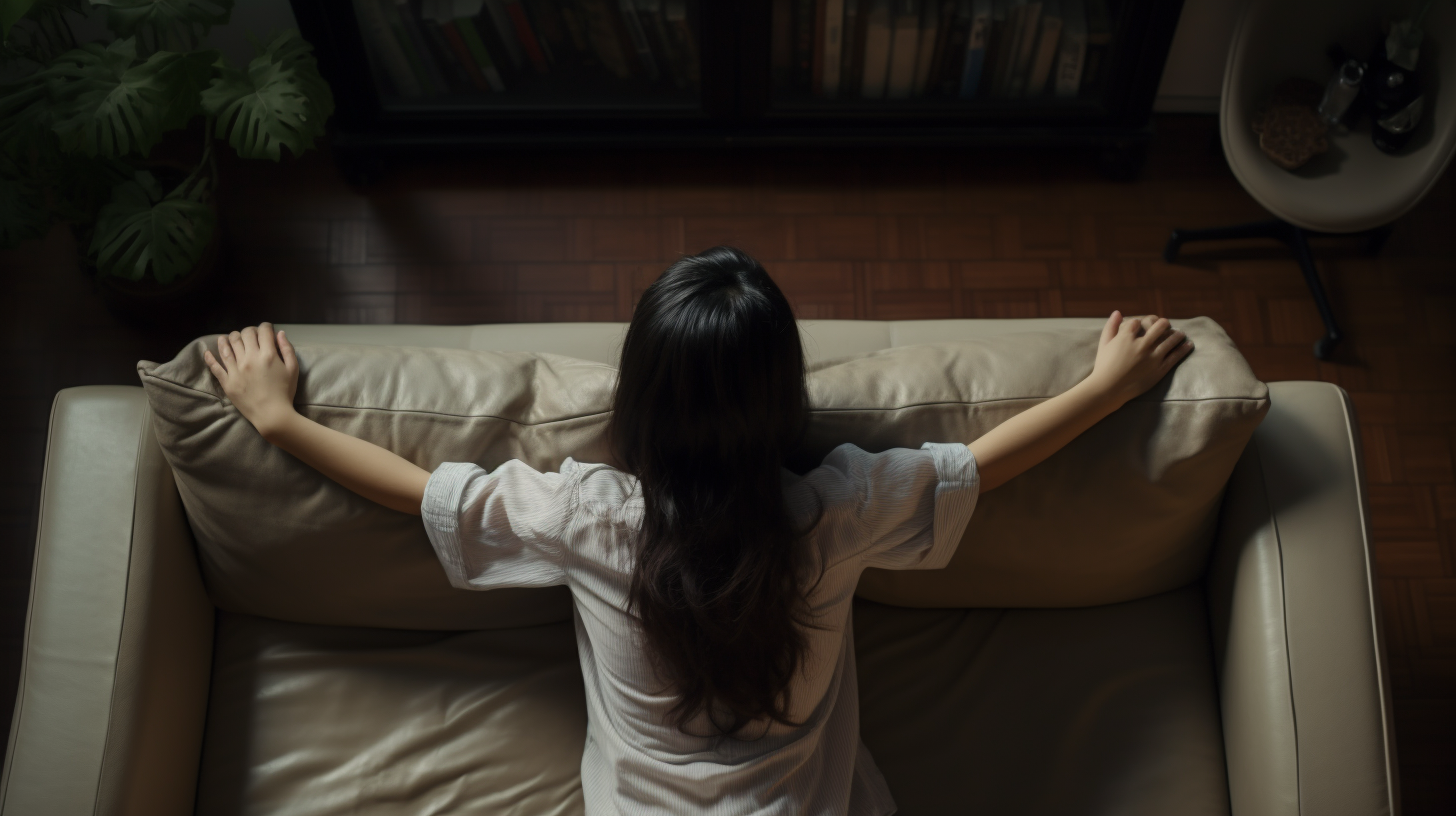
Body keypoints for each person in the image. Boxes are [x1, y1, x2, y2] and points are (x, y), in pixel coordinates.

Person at [203, 246, 1193, 816]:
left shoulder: (591, 517)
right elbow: (983, 464)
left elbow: (424, 493)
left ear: (637, 392)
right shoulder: (836, 508)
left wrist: (279, 420)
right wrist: (1104, 389)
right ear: (779, 396)